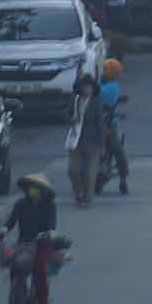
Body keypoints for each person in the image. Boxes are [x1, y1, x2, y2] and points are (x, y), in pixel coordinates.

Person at [0, 174, 60, 304]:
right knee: (15, 265)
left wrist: (48, 234)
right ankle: (18, 293)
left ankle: (43, 301)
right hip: (24, 244)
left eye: (36, 187)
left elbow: (52, 226)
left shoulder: (50, 205)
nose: (32, 190)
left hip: (43, 244)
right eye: (30, 187)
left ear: (43, 190)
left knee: (41, 268)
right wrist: (4, 230)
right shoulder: (21, 204)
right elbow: (11, 222)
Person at [66, 73, 105, 207]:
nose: (87, 90)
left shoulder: (96, 103)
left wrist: (102, 145)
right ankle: (78, 194)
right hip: (76, 140)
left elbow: (101, 124)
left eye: (89, 87)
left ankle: (87, 199)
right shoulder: (75, 100)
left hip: (93, 142)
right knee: (73, 170)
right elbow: (67, 114)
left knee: (90, 173)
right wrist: (71, 119)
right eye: (84, 87)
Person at [98, 58, 129, 195]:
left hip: (100, 125)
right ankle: (123, 180)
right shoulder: (112, 87)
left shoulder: (101, 87)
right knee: (119, 152)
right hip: (108, 125)